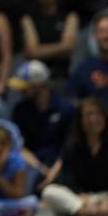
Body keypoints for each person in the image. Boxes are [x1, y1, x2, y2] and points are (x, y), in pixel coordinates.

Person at [41, 97, 108, 216]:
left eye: (98, 114)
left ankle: (95, 212)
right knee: (50, 192)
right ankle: (87, 211)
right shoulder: (72, 146)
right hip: (81, 199)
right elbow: (67, 179)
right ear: (80, 120)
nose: (93, 119)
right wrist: (84, 198)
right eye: (88, 115)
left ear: (105, 118)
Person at [9, 60, 74, 190]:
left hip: (62, 163)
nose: (20, 91)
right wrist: (40, 168)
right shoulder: (20, 110)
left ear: (38, 86)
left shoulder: (66, 109)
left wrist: (53, 172)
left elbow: (70, 146)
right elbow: (19, 145)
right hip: (32, 164)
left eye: (25, 87)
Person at [20, 0, 79, 82]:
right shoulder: (29, 18)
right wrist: (60, 48)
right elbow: (32, 51)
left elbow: (69, 46)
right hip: (36, 78)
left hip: (63, 75)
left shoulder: (69, 16)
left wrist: (41, 50)